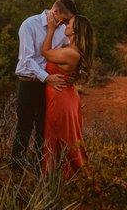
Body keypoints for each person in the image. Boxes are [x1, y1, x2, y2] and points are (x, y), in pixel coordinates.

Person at [11, 0, 78, 170]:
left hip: (49, 87)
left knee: (44, 129)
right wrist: (46, 77)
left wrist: (72, 73)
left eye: (67, 21)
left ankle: (40, 168)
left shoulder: (62, 30)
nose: (64, 23)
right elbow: (27, 59)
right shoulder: (29, 25)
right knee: (24, 127)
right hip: (29, 82)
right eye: (63, 19)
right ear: (55, 12)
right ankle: (16, 168)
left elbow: (68, 54)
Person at [41, 12, 94, 178]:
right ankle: (57, 176)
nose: (66, 26)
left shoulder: (71, 53)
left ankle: (61, 177)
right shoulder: (70, 49)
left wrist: (50, 30)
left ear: (75, 31)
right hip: (65, 95)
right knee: (64, 136)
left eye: (69, 24)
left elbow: (45, 52)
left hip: (60, 98)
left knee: (58, 136)